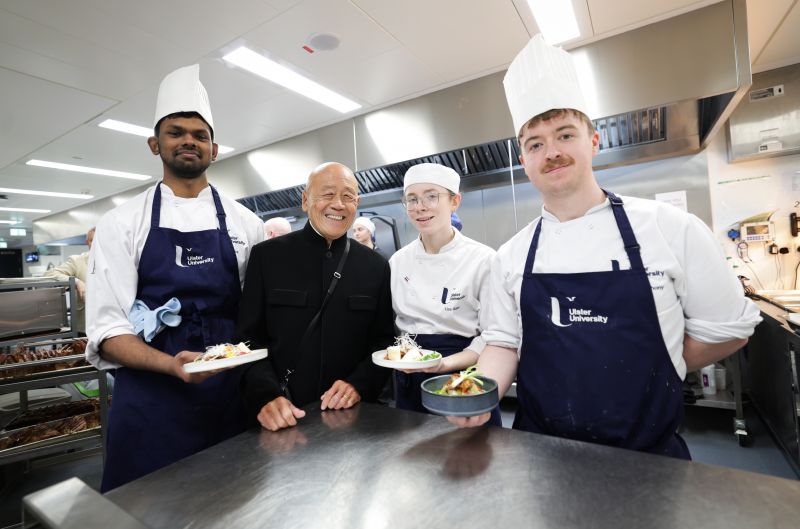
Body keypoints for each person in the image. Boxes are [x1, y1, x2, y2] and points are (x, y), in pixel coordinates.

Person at [449, 35, 762, 459]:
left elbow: (730, 330)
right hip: (540, 454)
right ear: (523, 159)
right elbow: (503, 344)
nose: (551, 152)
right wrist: (478, 394)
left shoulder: (670, 229)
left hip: (648, 458)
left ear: (593, 142)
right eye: (535, 143)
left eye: (564, 134)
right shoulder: (510, 256)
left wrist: (659, 367)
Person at [85, 64, 265, 490]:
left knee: (235, 502)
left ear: (215, 149)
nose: (189, 141)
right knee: (146, 506)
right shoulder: (122, 223)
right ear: (154, 144)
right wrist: (172, 365)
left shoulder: (245, 223)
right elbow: (108, 329)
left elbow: (258, 317)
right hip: (152, 398)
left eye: (200, 135)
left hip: (229, 390)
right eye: (176, 131)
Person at [237, 162, 394, 432]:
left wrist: (359, 383)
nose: (338, 204)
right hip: (283, 416)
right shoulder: (268, 257)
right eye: (327, 194)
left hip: (353, 418)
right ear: (305, 200)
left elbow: (383, 340)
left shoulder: (375, 266)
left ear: (357, 203)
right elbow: (247, 339)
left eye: (348, 196)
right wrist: (265, 395)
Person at [389, 163, 501, 425]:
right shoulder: (397, 262)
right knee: (417, 457)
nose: (420, 207)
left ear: (455, 201)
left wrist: (443, 365)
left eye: (431, 196)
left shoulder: (483, 259)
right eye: (412, 199)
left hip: (465, 373)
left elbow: (494, 334)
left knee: (474, 456)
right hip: (410, 372)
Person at [45, 227, 95, 334]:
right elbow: (50, 274)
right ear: (87, 242)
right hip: (85, 327)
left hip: (115, 326)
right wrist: (76, 282)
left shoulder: (117, 261)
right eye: (92, 240)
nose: (96, 244)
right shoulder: (77, 261)